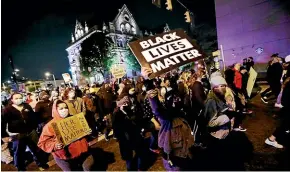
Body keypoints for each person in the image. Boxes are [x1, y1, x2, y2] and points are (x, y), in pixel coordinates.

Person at [38, 100, 94, 171]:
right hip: (64, 157)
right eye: (61, 109)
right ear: (55, 110)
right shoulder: (50, 126)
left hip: (82, 152)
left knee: (88, 167)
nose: (64, 110)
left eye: (66, 107)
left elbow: (84, 133)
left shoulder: (75, 119)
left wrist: (88, 132)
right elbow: (42, 142)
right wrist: (55, 145)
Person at [2, 93, 49, 171]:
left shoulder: (26, 106)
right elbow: (3, 123)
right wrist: (4, 135)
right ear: (12, 100)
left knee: (36, 149)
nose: (18, 100)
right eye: (16, 98)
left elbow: (33, 117)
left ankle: (41, 163)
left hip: (30, 131)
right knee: (19, 152)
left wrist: (35, 126)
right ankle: (21, 168)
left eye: (20, 98)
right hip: (17, 134)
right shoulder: (7, 109)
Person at [112, 96, 146, 171]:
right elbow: (116, 127)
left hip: (134, 136)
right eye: (125, 103)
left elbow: (136, 120)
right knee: (128, 157)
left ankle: (139, 168)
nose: (127, 105)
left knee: (139, 152)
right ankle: (130, 169)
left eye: (127, 103)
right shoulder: (117, 114)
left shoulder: (130, 111)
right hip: (125, 139)